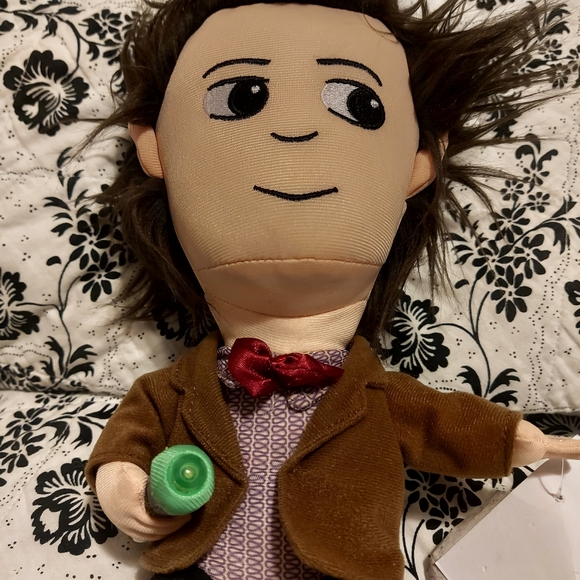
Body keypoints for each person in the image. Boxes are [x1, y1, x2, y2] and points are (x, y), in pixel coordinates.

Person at [84, 0, 580, 578]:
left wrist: (532, 442)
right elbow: (129, 437)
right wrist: (122, 482)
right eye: (242, 96)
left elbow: (445, 425)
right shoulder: (177, 388)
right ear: (157, 149)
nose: (295, 130)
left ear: (418, 166)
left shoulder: (378, 397)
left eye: (358, 104)